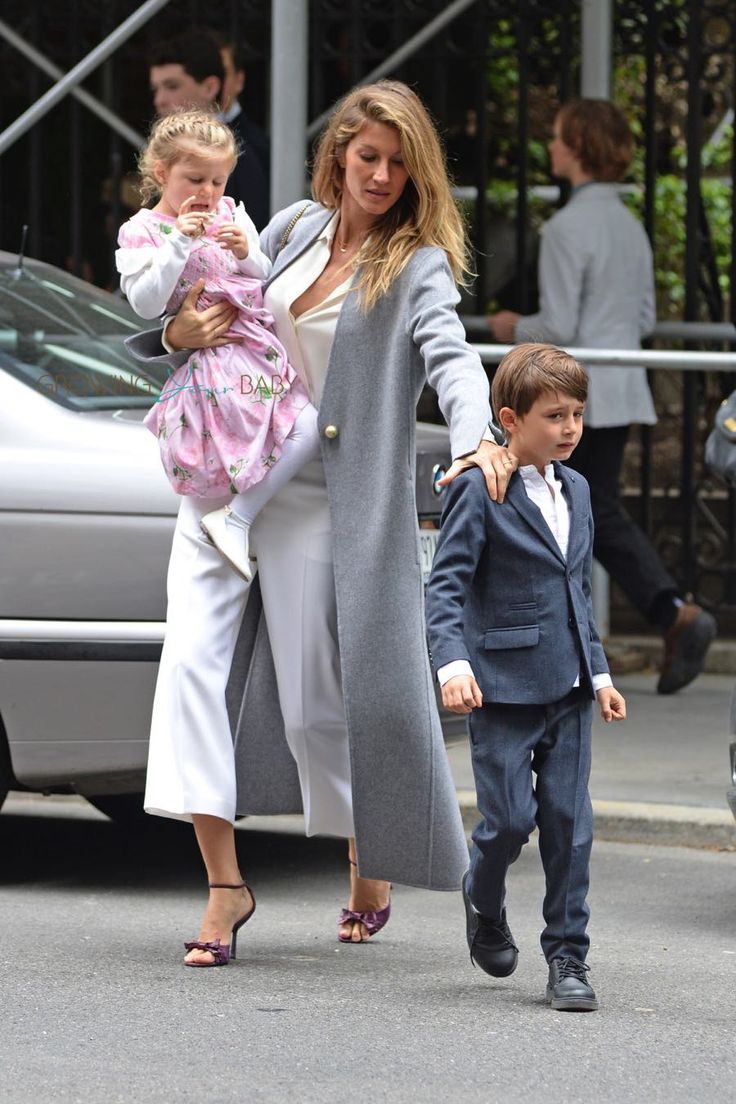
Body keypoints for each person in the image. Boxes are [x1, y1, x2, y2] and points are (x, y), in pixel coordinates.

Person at [124, 79, 515, 966]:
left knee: (310, 708)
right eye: (366, 155)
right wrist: (177, 333)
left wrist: (476, 437)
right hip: (226, 475)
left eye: (396, 163)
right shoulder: (293, 225)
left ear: (417, 175)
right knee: (188, 669)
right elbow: (207, 291)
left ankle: (368, 848)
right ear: (338, 151)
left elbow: (451, 359)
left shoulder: (413, 265)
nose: (378, 175)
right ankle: (225, 889)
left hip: (315, 500)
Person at [487, 99, 717, 694]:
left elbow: (558, 323)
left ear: (579, 147)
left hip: (572, 389)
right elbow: (642, 315)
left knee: (578, 514)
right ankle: (661, 615)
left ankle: (662, 614)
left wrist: (513, 327)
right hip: (619, 385)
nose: (552, 146)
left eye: (560, 137)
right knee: (592, 510)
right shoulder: (629, 224)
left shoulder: (567, 228)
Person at [426, 343, 627, 1011]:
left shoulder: (581, 489)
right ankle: (482, 898)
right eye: (554, 416)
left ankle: (568, 957)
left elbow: (576, 594)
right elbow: (446, 589)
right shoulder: (478, 490)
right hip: (501, 688)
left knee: (570, 826)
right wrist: (453, 666)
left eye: (577, 414)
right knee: (508, 823)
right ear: (509, 420)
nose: (570, 428)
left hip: (569, 688)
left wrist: (599, 676)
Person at [116, 110, 318, 579]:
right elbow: (146, 303)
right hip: (212, 361)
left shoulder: (231, 214)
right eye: (195, 179)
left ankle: (237, 518)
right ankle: (230, 520)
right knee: (231, 442)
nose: (208, 192)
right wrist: (177, 245)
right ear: (162, 173)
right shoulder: (142, 231)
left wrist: (247, 252)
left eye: (218, 180)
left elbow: (265, 279)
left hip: (253, 345)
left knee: (306, 422)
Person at [148, 29, 270, 229]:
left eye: (172, 86)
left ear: (209, 87)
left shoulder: (246, 150)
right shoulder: (168, 143)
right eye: (156, 89)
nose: (159, 100)